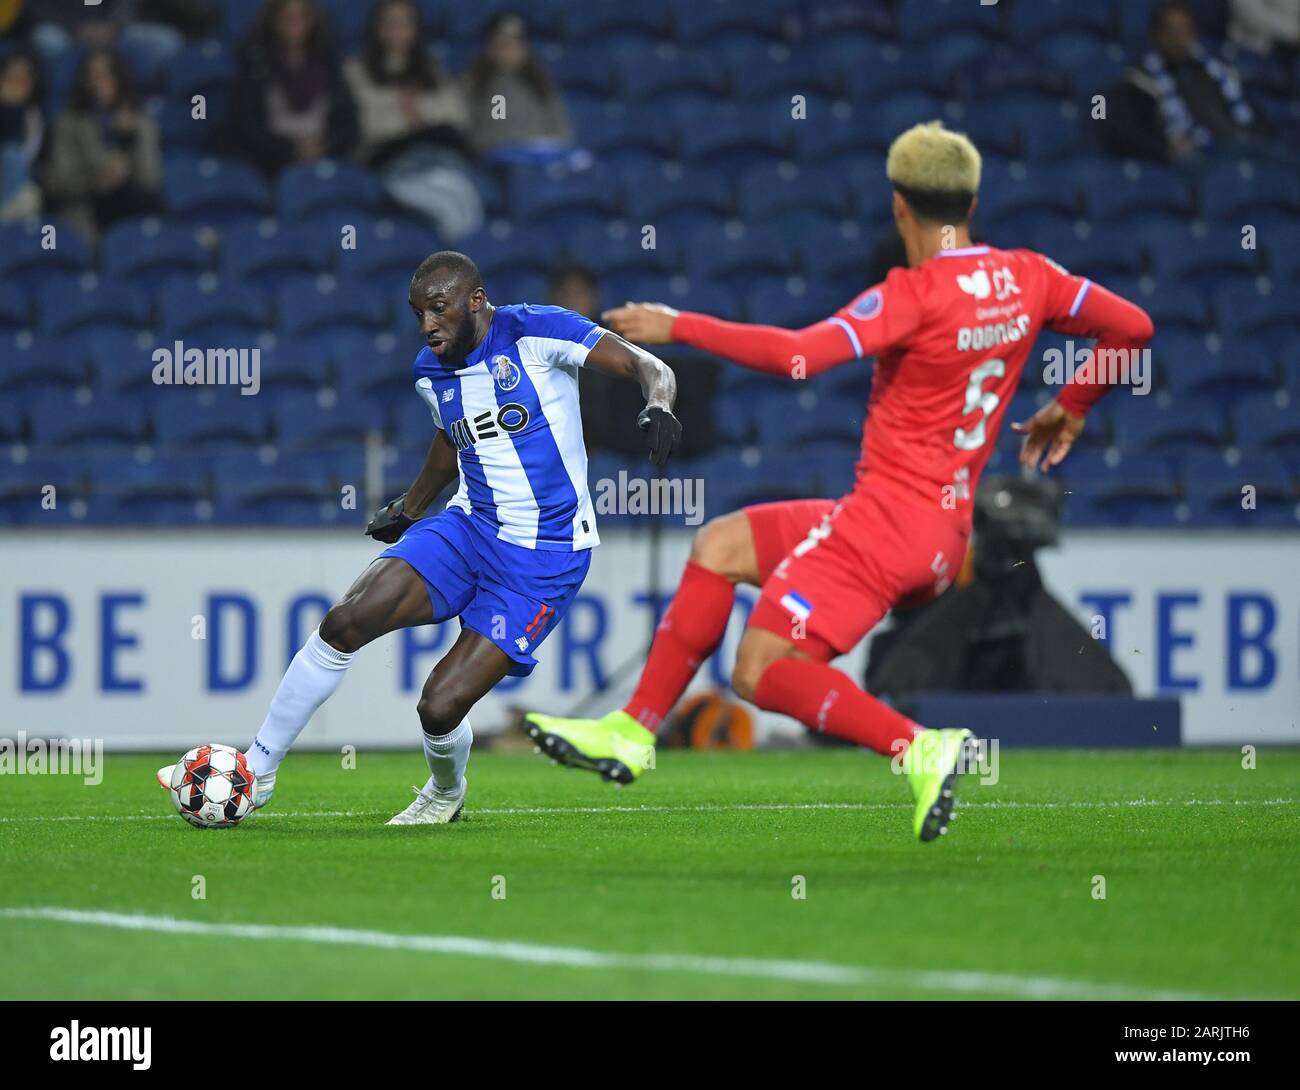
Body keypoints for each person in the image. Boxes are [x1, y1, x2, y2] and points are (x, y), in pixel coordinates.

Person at [522, 122, 1155, 843]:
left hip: (886, 524)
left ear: (898, 207)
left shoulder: (911, 295)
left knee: (759, 669)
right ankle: (633, 734)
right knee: (722, 544)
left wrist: (680, 325)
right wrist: (1069, 408)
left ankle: (919, 747)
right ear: (972, 203)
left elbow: (798, 357)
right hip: (939, 531)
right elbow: (1133, 327)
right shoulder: (1030, 276)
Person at [156, 251, 681, 825]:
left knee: (439, 705)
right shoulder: (429, 371)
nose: (427, 324)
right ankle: (257, 770)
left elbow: (651, 368)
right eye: (418, 313)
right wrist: (410, 508)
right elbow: (450, 439)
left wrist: (657, 406)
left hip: (544, 557)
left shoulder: (537, 331)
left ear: (475, 301)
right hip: (469, 527)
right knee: (346, 619)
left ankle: (445, 791)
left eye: (439, 309)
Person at [344, 0, 482, 239]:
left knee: (465, 202)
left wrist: (414, 115)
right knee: (454, 209)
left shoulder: (431, 69)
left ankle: (454, 267)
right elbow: (368, 126)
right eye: (390, 22)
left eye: (405, 22)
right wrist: (415, 120)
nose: (397, 29)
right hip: (392, 164)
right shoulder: (356, 71)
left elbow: (457, 117)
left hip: (440, 158)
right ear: (377, 28)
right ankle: (451, 269)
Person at [43, 47, 161, 242]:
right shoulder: (68, 123)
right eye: (93, 76)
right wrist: (97, 181)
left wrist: (129, 141)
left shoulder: (141, 122)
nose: (99, 82)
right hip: (87, 207)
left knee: (148, 207)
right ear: (84, 82)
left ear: (120, 79)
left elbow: (151, 180)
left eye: (106, 75)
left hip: (132, 205)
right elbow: (59, 181)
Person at [227, 0, 358, 176]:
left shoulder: (326, 62)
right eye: (288, 18)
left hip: (326, 157)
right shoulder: (255, 65)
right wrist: (292, 150)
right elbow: (246, 124)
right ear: (274, 21)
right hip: (272, 163)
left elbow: (348, 120)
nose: (295, 24)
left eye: (301, 17)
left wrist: (325, 146)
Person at [463, 11, 574, 161]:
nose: (508, 50)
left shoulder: (541, 83)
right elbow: (478, 133)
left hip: (541, 157)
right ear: (489, 48)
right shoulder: (477, 83)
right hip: (498, 160)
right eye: (501, 43)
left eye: (514, 43)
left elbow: (563, 130)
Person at [0, 50, 46, 223]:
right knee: (10, 153)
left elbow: (32, 155)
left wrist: (15, 109)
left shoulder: (35, 115)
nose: (17, 85)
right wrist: (9, 108)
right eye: (11, 78)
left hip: (24, 186)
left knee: (30, 196)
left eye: (23, 79)